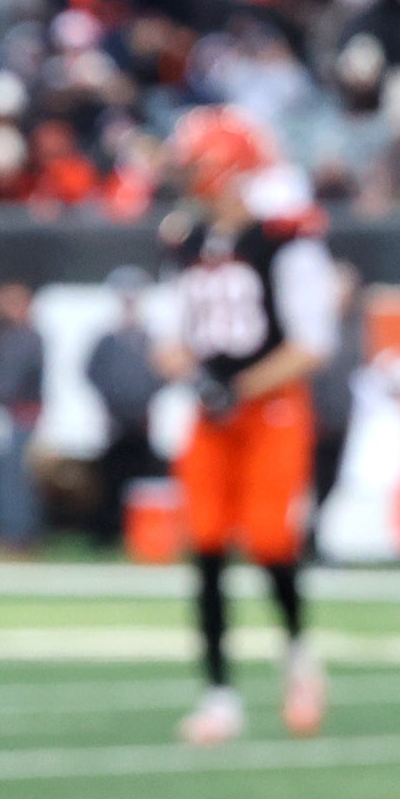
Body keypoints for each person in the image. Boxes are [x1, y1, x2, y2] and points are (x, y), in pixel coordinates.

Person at [157, 114, 338, 743]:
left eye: (197, 162)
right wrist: (189, 368)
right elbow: (174, 338)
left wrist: (238, 386)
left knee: (268, 537)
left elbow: (312, 344)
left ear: (227, 169)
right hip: (213, 413)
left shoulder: (285, 239)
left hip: (272, 408)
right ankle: (219, 695)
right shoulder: (184, 240)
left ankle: (298, 661)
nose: (187, 175)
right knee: (204, 543)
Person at [84, 266, 163, 548]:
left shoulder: (149, 339)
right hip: (114, 419)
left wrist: (145, 399)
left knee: (142, 480)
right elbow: (91, 373)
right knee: (109, 479)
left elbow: (162, 374)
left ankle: (141, 533)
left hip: (142, 419)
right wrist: (110, 401)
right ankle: (108, 534)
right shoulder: (108, 340)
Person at [0, 279, 44, 547]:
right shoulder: (2, 335)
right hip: (3, 416)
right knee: (2, 476)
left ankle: (17, 536)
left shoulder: (26, 337)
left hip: (17, 416)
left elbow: (8, 380)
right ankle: (6, 531)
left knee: (14, 478)